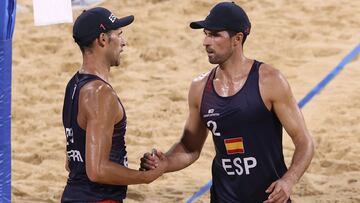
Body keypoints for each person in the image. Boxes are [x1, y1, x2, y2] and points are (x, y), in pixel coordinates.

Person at [140, 2, 314, 203]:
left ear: (237, 39)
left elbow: (304, 141)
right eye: (205, 33)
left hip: (269, 198)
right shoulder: (199, 87)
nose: (206, 41)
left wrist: (288, 181)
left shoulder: (270, 80)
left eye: (215, 35)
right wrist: (165, 163)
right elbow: (190, 147)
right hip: (224, 198)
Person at [61, 7, 166, 203]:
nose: (124, 42)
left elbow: (72, 161)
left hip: (74, 194)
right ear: (102, 39)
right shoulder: (100, 94)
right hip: (98, 199)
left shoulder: (74, 84)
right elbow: (97, 171)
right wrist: (144, 177)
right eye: (119, 35)